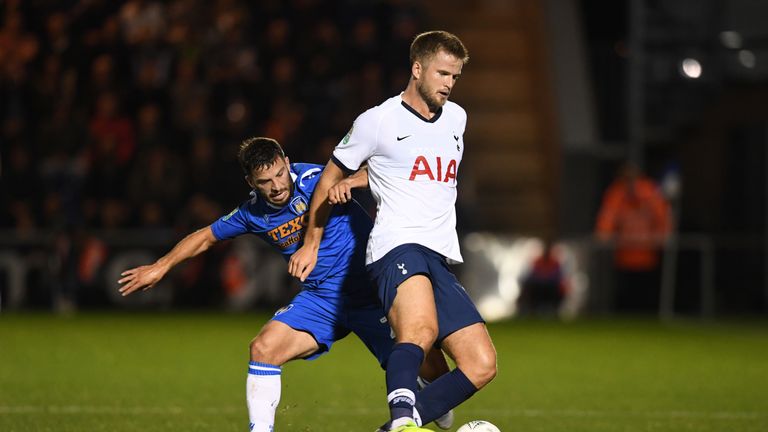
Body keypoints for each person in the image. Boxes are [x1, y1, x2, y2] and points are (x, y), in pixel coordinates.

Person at [117, 137, 454, 432]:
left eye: (280, 173)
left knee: (435, 373)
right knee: (263, 349)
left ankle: (428, 387)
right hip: (321, 300)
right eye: (265, 181)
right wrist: (160, 267)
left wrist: (350, 183)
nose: (277, 186)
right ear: (251, 181)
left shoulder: (314, 178)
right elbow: (205, 236)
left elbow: (379, 171)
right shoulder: (252, 213)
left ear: (287, 163)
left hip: (372, 290)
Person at [290, 31, 497, 432]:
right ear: (417, 68)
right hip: (396, 246)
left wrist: (360, 180)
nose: (449, 84)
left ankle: (404, 422)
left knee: (482, 364)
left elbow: (405, 166)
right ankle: (403, 420)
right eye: (442, 74)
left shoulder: (457, 118)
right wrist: (311, 243)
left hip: (439, 253)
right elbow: (327, 177)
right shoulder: (377, 120)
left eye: (455, 77)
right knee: (420, 332)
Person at [595, 163, 672, 312]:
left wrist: (664, 236)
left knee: (644, 292)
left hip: (647, 254)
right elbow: (607, 217)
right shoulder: (617, 193)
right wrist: (604, 234)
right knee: (625, 291)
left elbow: (663, 217)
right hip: (624, 254)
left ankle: (647, 315)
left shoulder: (649, 192)